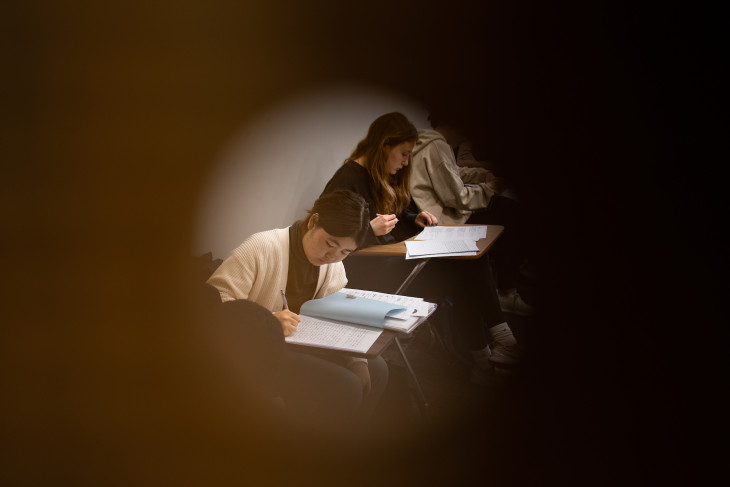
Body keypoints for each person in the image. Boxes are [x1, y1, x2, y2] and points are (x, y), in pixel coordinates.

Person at [319, 112, 522, 382]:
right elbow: (328, 233)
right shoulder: (348, 178)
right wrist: (369, 230)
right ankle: (490, 356)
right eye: (403, 154)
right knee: (463, 276)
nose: (405, 163)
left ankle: (491, 354)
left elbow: (392, 209)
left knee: (470, 261)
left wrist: (412, 217)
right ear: (384, 146)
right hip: (370, 273)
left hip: (392, 259)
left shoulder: (377, 173)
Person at [205, 189, 388, 435]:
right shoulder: (261, 248)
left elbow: (340, 316)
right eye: (330, 244)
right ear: (313, 221)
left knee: (378, 370)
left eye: (345, 252)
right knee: (346, 386)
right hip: (260, 354)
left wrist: (357, 359)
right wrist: (268, 324)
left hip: (304, 346)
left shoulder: (333, 266)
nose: (333, 257)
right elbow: (212, 310)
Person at [410, 109, 535, 316]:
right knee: (508, 212)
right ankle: (506, 292)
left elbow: (452, 173)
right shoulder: (437, 145)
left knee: (505, 211)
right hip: (439, 220)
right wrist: (491, 187)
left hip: (435, 214)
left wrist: (482, 174)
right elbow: (458, 197)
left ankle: (504, 292)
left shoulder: (431, 143)